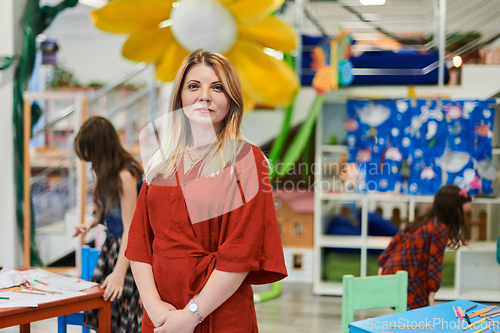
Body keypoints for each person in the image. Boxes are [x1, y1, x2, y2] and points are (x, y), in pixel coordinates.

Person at [125, 49, 287, 333]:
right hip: (162, 314)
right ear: (180, 98)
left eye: (218, 87)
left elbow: (241, 251)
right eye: (193, 86)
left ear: (231, 101)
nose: (205, 96)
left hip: (218, 311)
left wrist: (191, 315)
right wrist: (154, 307)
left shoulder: (246, 160)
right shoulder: (161, 160)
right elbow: (139, 242)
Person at [73, 116, 143, 332]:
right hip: (113, 251)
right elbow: (109, 209)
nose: (91, 162)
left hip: (129, 255)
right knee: (106, 319)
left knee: (124, 320)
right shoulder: (108, 173)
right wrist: (91, 222)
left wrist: (120, 273)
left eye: (92, 156)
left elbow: (131, 228)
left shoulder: (125, 175)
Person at [378, 185, 471, 310]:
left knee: (405, 314)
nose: (462, 218)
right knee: (416, 317)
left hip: (392, 272)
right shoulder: (439, 229)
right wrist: (432, 291)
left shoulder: (423, 220)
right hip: (410, 278)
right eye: (462, 213)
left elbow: (395, 240)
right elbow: (435, 264)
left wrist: (382, 263)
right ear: (451, 209)